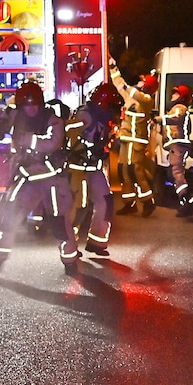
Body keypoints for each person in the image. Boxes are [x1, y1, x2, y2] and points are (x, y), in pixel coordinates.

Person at [0, 81, 80, 275]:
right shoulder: (15, 115)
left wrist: (18, 134)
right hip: (26, 177)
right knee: (10, 216)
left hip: (52, 179)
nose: (31, 108)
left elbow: (50, 143)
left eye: (34, 104)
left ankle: (70, 261)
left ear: (41, 104)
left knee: (60, 222)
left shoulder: (53, 120)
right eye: (26, 104)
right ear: (20, 105)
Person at [66, 82, 119, 257]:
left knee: (106, 201)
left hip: (94, 167)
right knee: (79, 206)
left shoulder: (103, 118)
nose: (114, 110)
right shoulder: (85, 116)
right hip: (78, 167)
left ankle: (97, 241)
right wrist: (87, 147)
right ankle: (70, 244)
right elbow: (67, 132)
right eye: (112, 105)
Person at [107, 58, 157, 217]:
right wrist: (113, 67)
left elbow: (134, 92)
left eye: (143, 82)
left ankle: (148, 201)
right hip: (126, 140)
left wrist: (127, 87)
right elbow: (118, 82)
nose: (140, 83)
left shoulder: (147, 100)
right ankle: (129, 203)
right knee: (123, 170)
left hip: (137, 142)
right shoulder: (130, 97)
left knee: (136, 171)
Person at [162, 84, 193, 217]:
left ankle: (188, 201)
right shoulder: (177, 108)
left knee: (177, 173)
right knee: (174, 174)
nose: (172, 96)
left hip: (178, 145)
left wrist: (160, 120)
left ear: (182, 97)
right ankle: (186, 204)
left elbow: (175, 119)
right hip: (176, 145)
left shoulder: (179, 108)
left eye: (176, 93)